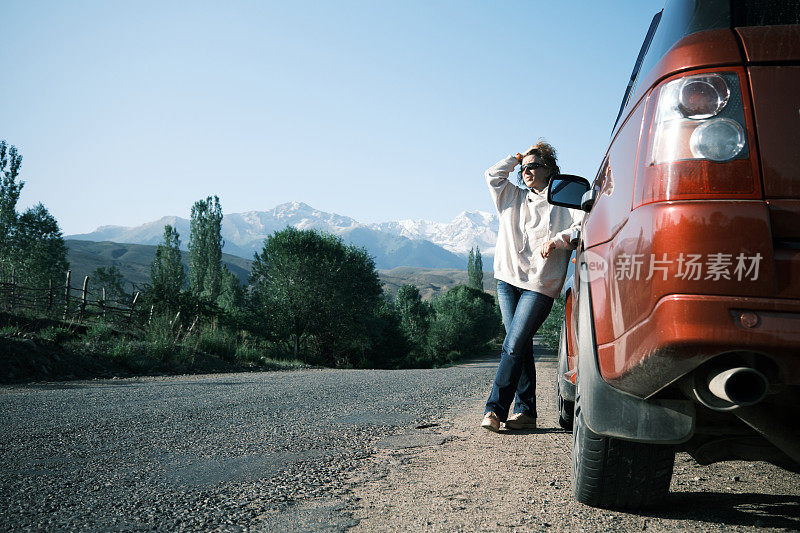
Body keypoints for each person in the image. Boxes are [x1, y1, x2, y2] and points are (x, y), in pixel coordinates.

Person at [481, 141, 582, 432]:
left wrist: (558, 239)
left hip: (540, 284)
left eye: (533, 165)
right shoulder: (511, 196)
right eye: (523, 168)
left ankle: (495, 410)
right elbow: (491, 176)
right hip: (508, 280)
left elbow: (582, 225)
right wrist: (515, 158)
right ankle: (526, 412)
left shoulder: (565, 201)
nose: (527, 171)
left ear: (549, 169)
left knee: (512, 344)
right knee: (519, 344)